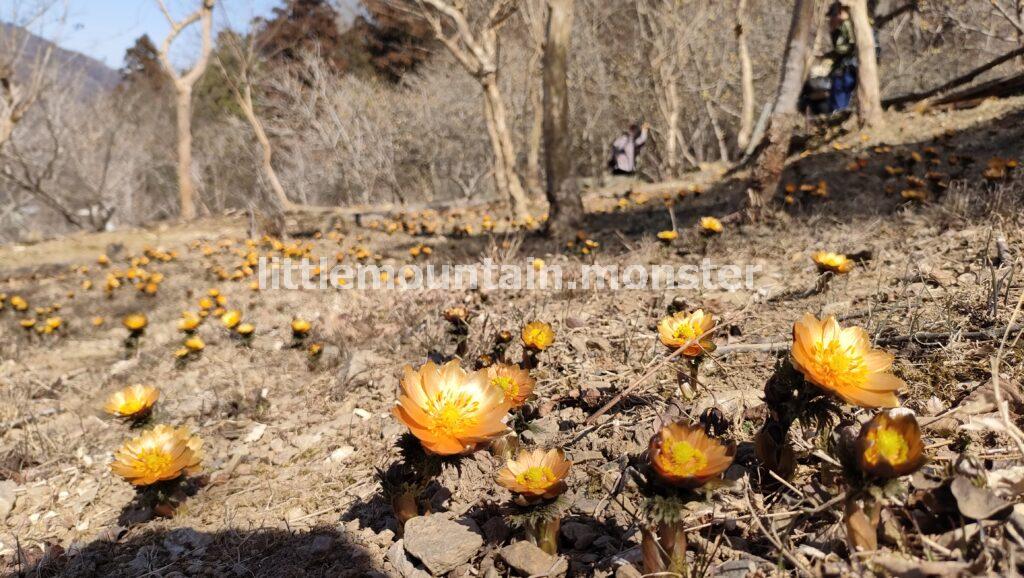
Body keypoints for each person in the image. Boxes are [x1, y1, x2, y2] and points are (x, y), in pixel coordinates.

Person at [828, 3, 858, 113]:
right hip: (844, 65)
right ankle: (837, 111)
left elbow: (852, 46)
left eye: (833, 16)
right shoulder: (838, 28)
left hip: (849, 65)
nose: (831, 19)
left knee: (841, 87)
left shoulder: (847, 25)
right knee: (837, 87)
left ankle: (839, 111)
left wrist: (836, 52)